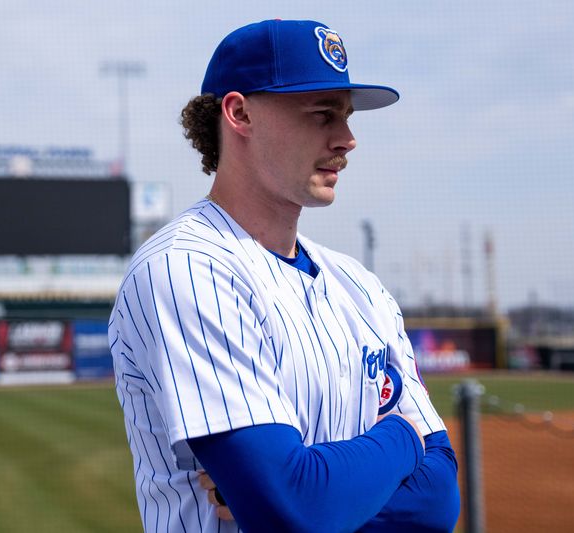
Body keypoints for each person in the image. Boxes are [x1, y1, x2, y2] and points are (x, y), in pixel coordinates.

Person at [108, 19, 459, 533]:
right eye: (322, 114)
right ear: (240, 113)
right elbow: (292, 511)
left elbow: (437, 502)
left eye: (347, 116)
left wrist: (316, 491)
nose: (348, 138)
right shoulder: (186, 267)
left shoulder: (361, 286)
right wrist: (403, 439)